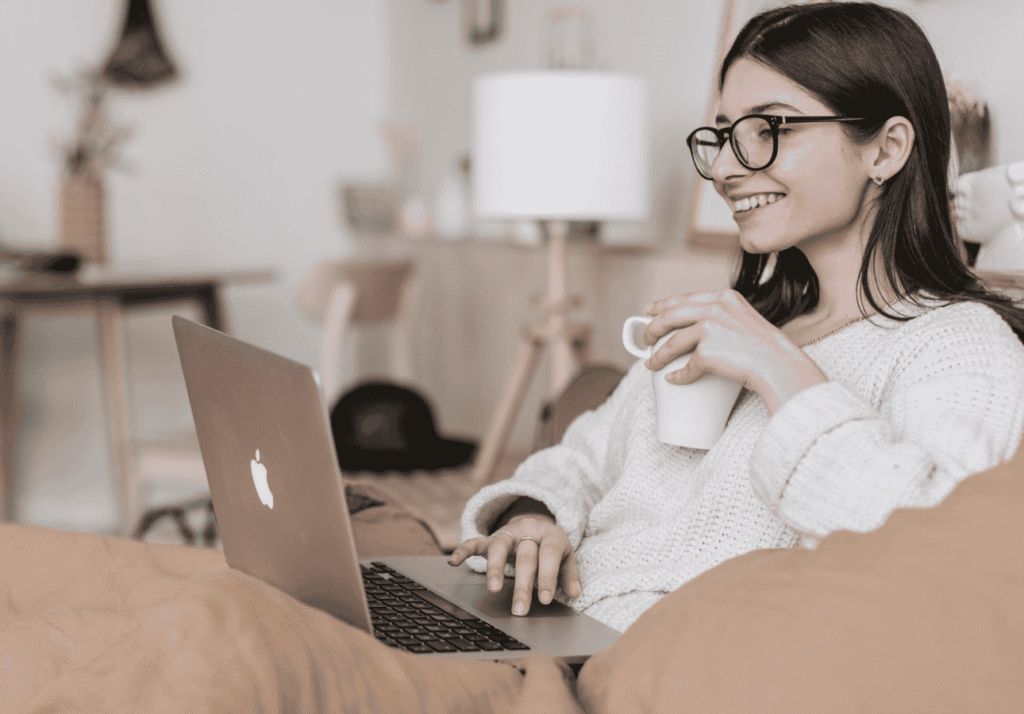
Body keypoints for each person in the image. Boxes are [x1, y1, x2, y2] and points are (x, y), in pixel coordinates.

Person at [448, 1, 1024, 633]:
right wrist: (533, 516)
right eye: (724, 134)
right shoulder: (739, 322)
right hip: (547, 622)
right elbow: (580, 457)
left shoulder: (956, 345)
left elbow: (937, 549)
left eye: (769, 128)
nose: (724, 167)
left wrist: (781, 372)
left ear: (885, 150)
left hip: (649, 663)